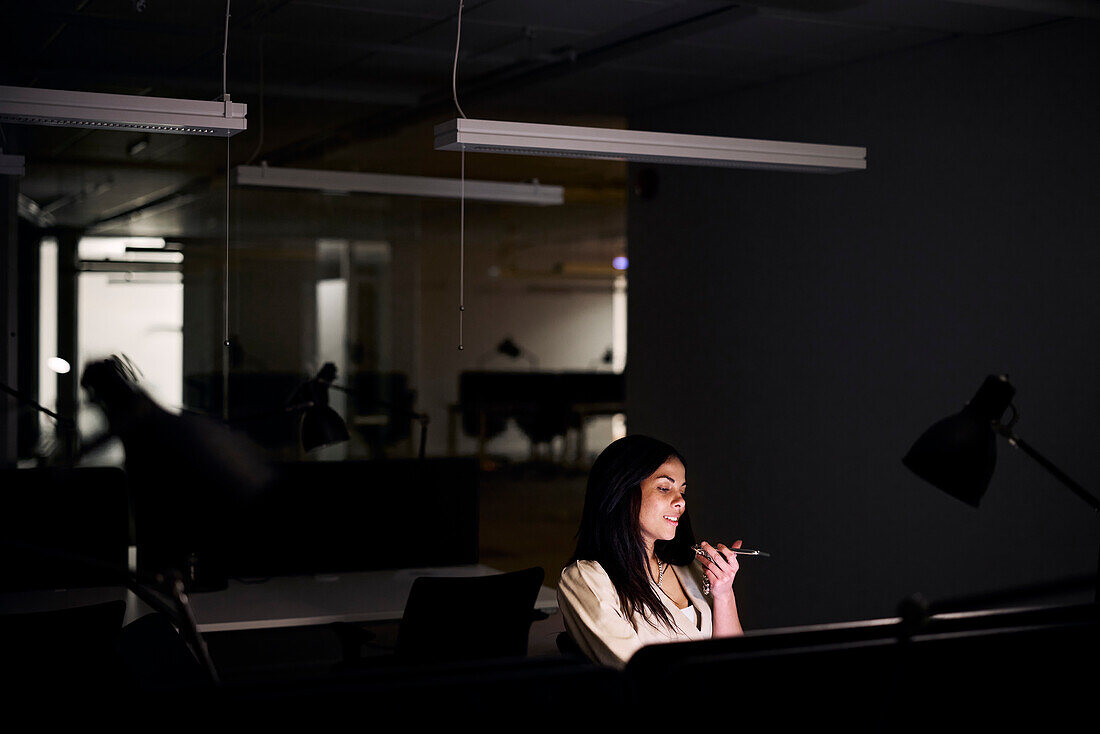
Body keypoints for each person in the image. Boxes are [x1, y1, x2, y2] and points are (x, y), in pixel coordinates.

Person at [557, 435, 744, 668]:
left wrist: (724, 594)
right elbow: (641, 676)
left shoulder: (693, 567)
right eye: (664, 488)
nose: (681, 502)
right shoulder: (588, 579)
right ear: (621, 492)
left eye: (682, 491)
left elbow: (735, 661)